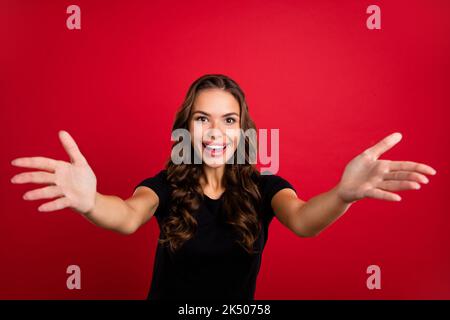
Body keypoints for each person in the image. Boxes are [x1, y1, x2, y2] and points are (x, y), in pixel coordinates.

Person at [10, 74, 437, 300]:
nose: (216, 132)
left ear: (242, 130)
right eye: (202, 119)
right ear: (187, 130)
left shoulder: (266, 186)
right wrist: (89, 203)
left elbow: (305, 220)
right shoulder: (164, 186)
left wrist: (343, 195)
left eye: (228, 120)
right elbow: (125, 215)